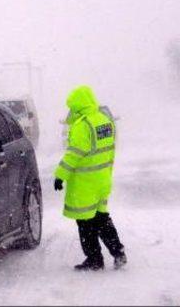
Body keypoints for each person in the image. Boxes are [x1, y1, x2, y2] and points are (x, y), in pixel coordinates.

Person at [53, 86, 127, 271]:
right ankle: (118, 252)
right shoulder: (104, 120)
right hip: (102, 180)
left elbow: (73, 155)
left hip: (85, 183)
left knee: (85, 222)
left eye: (72, 107)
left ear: (78, 105)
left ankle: (94, 259)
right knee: (102, 218)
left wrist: (60, 176)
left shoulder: (82, 125)